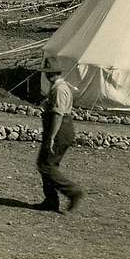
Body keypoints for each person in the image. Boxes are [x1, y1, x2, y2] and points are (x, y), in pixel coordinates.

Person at [34, 69, 84, 212]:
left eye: (47, 72)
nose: (46, 75)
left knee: (46, 166)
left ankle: (72, 191)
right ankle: (51, 201)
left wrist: (51, 137)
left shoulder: (59, 89)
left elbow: (58, 115)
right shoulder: (61, 86)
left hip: (59, 130)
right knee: (46, 164)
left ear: (52, 73)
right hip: (61, 129)